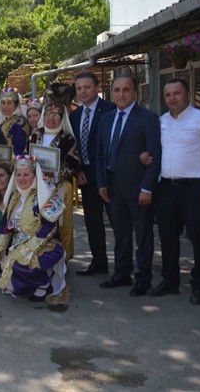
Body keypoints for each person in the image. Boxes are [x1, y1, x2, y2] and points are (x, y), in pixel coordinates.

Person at [144, 79, 200, 305]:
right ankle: (170, 281)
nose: (172, 97)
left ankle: (199, 285)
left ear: (188, 94)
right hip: (167, 189)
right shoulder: (160, 122)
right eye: (168, 94)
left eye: (177, 93)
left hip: (195, 188)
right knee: (168, 238)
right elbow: (155, 153)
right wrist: (145, 157)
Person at [96, 75, 161, 297]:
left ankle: (143, 278)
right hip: (113, 186)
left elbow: (155, 155)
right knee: (121, 233)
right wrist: (101, 182)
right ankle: (122, 273)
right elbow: (100, 154)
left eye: (126, 90)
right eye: (117, 90)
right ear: (112, 93)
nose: (121, 94)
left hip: (138, 188)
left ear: (135, 92)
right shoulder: (106, 118)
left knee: (142, 235)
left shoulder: (147, 118)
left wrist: (147, 188)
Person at [0, 155, 68, 305]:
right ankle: (39, 276)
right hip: (19, 245)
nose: (21, 178)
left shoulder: (44, 194)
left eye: (26, 174)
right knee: (11, 283)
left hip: (46, 246)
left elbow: (51, 226)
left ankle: (45, 283)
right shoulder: (14, 196)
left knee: (20, 263)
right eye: (18, 174)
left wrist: (30, 248)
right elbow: (6, 225)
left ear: (34, 175)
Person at [69, 71, 116, 276]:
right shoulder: (75, 115)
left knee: (118, 222)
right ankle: (99, 263)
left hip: (108, 175)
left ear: (96, 87)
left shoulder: (111, 110)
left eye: (87, 87)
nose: (83, 91)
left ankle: (123, 268)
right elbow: (74, 148)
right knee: (93, 223)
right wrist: (78, 170)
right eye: (79, 88)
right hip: (86, 176)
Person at [28, 87, 80, 261]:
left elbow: (74, 165)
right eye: (48, 115)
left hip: (59, 186)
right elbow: (27, 157)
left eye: (55, 115)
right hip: (36, 185)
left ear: (61, 117)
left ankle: (62, 256)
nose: (51, 118)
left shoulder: (68, 139)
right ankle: (39, 254)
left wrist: (56, 174)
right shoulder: (35, 135)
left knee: (60, 222)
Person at [0, 87, 30, 156]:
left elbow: (19, 151)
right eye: (3, 103)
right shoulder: (2, 121)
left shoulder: (20, 123)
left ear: (17, 105)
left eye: (9, 103)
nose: (5, 106)